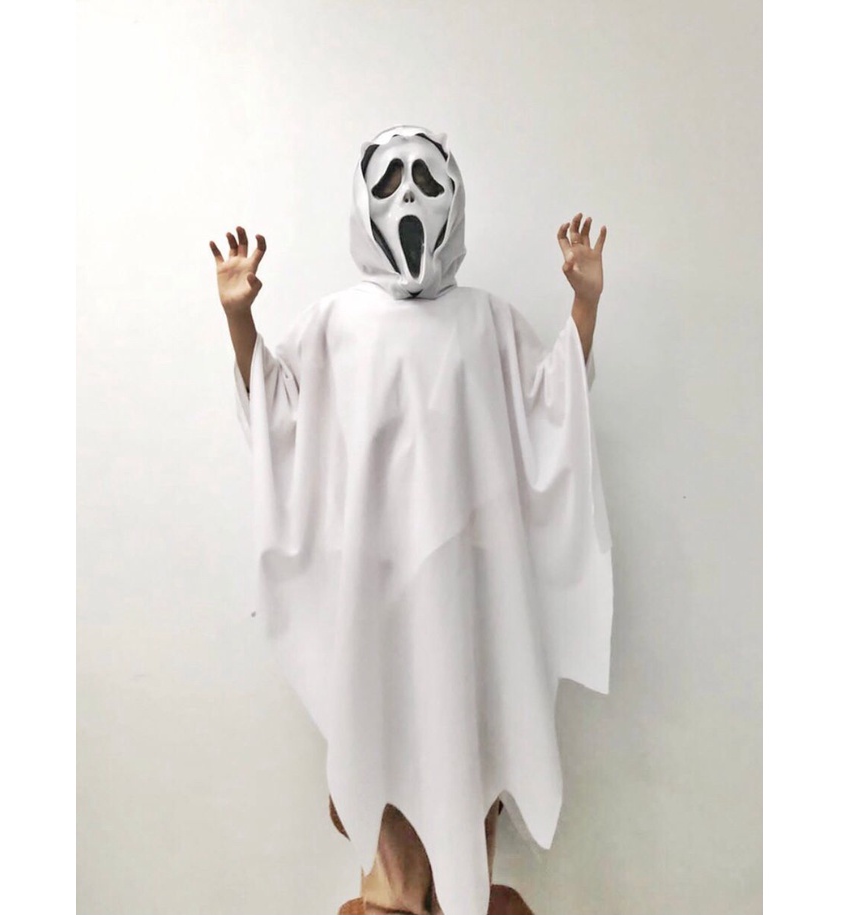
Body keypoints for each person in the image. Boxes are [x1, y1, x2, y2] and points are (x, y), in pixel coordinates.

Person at [210, 126, 613, 915]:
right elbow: (278, 418)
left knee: (471, 738)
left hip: (470, 589)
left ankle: (463, 894)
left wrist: (583, 303)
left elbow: (553, 409)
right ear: (363, 201)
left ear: (453, 198)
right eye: (389, 179)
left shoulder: (487, 321)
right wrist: (238, 319)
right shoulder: (333, 323)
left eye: (425, 180)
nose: (407, 197)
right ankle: (391, 896)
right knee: (381, 737)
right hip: (374, 593)